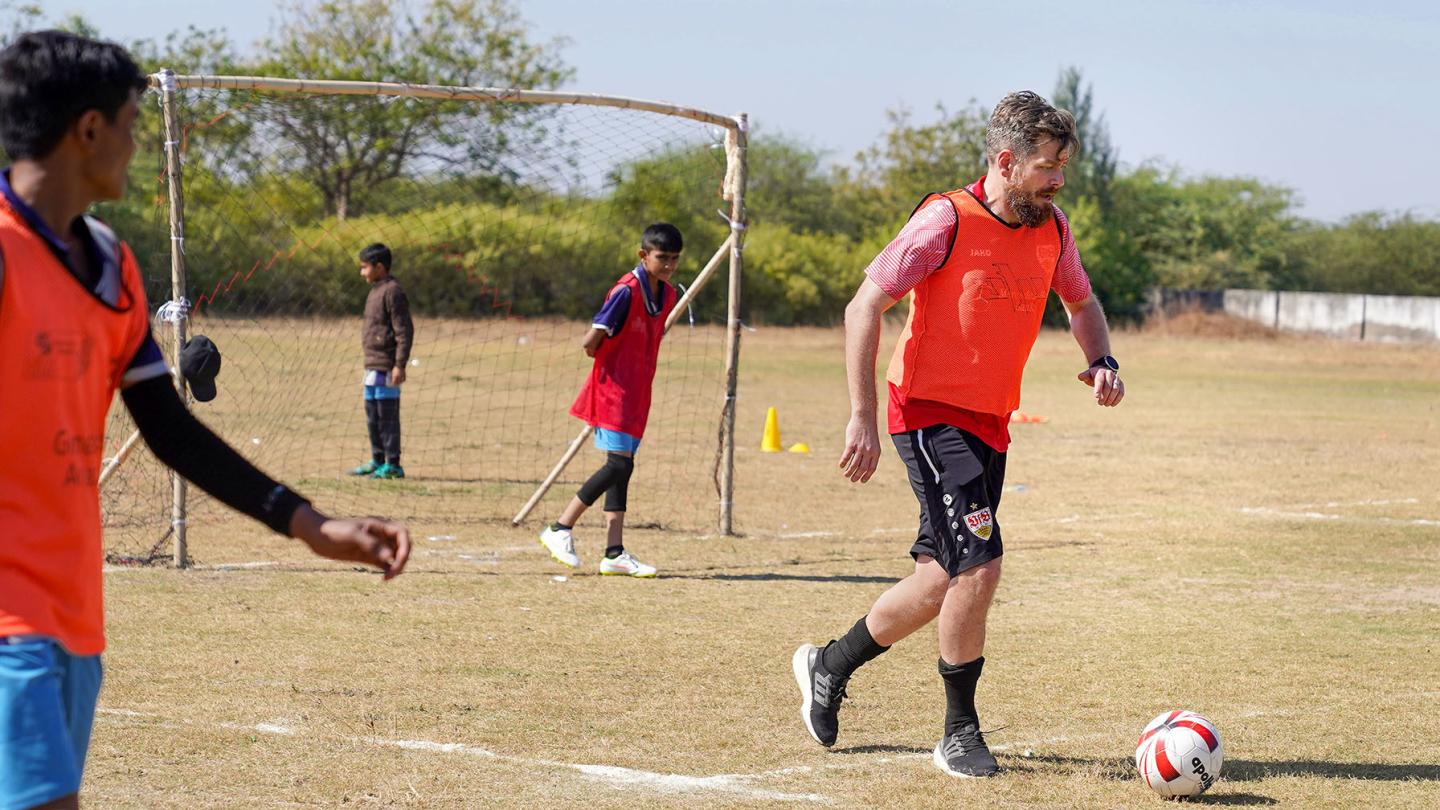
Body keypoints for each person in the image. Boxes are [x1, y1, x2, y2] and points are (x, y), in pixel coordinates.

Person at [0, 31, 412, 810]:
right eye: (128, 123)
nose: (134, 143)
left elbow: (170, 428)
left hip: (74, 617)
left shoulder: (111, 265)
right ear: (87, 130)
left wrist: (307, 523)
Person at [791, 91, 1125, 778]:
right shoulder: (944, 220)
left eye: (1064, 164)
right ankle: (959, 732)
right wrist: (860, 415)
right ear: (1005, 161)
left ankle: (829, 664)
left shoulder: (1053, 230)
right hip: (926, 411)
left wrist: (1101, 360)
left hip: (989, 422)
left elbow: (1082, 302)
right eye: (1048, 166)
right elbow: (865, 306)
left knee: (941, 579)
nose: (1059, 178)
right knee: (981, 562)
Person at [537, 223, 683, 578]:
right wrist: (606, 357)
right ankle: (560, 528)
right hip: (613, 391)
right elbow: (592, 339)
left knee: (624, 468)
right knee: (617, 465)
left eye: (674, 259)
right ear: (643, 255)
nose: (668, 266)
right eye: (662, 258)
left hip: (638, 392)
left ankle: (614, 552)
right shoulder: (626, 291)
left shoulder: (665, 294)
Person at [348, 242, 413, 480]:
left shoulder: (393, 291)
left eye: (365, 267)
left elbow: (404, 330)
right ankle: (377, 460)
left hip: (387, 364)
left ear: (379, 267)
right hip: (372, 364)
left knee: (387, 416)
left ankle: (393, 464)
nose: (362, 272)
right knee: (372, 414)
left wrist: (400, 364)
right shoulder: (376, 289)